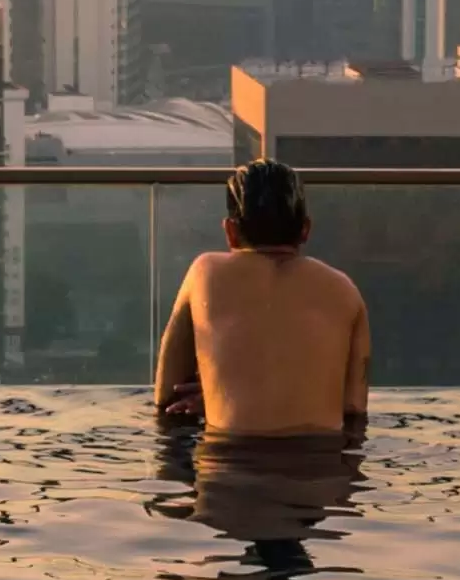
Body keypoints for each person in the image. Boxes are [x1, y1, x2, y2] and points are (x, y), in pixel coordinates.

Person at [153, 158, 370, 440]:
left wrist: (220, 396)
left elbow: (166, 395)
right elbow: (353, 409)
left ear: (230, 231)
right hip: (319, 472)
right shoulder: (344, 290)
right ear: (305, 229)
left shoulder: (204, 274)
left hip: (228, 471)